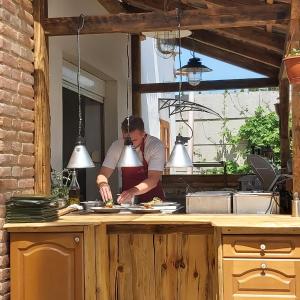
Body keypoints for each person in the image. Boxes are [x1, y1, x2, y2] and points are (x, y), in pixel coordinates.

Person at [96, 116, 166, 204]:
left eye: (134, 140)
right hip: (128, 202)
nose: (130, 143)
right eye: (127, 140)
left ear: (143, 134)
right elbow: (103, 174)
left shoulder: (155, 145)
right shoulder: (116, 146)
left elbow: (153, 179)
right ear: (122, 134)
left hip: (153, 202)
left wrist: (133, 191)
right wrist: (103, 184)